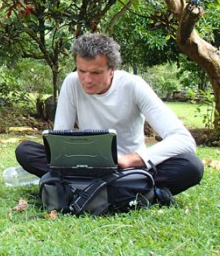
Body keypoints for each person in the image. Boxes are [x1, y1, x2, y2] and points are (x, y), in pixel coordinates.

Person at [15, 33, 204, 197]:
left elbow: (184, 140)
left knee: (191, 166)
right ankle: (135, 193)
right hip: (85, 167)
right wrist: (71, 158)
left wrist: (131, 159)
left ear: (112, 70)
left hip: (130, 169)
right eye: (82, 71)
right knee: (26, 151)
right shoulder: (72, 83)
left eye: (96, 73)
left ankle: (82, 190)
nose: (87, 80)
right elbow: (59, 139)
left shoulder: (133, 86)